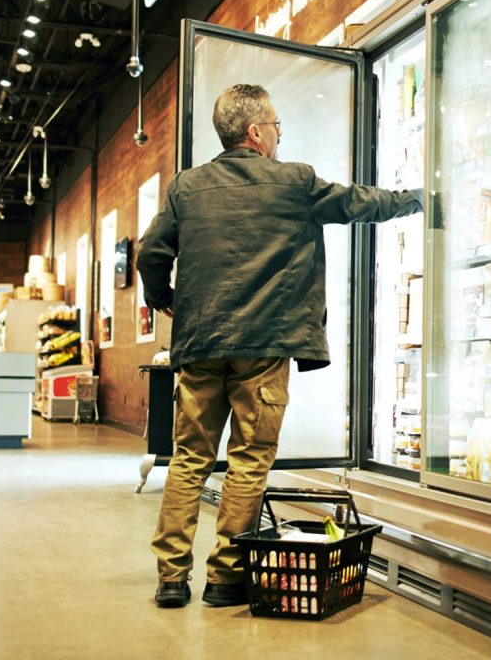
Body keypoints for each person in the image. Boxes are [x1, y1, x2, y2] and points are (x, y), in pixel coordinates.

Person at [136, 83, 422, 608]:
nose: (280, 133)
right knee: (248, 461)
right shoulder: (295, 182)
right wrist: (421, 200)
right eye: (276, 125)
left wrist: (165, 298)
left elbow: (150, 254)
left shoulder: (186, 187)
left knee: (188, 459)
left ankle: (171, 578)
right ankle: (225, 579)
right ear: (255, 132)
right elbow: (362, 203)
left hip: (200, 346)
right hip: (264, 347)